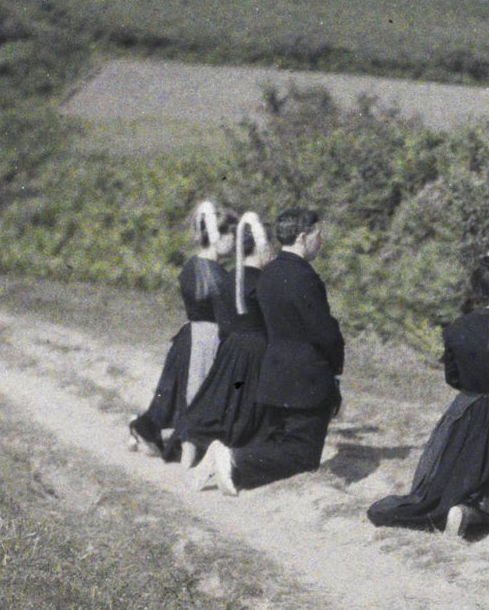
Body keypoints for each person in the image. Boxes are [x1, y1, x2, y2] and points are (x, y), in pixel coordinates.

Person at [367, 246, 489, 540]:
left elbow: (453, 377)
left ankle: (461, 504)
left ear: (477, 289)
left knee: (449, 481)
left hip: (464, 423)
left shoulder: (457, 330)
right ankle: (472, 513)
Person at [197, 208, 341, 495]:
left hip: (274, 373)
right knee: (304, 455)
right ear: (302, 237)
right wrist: (335, 369)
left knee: (280, 439)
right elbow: (323, 332)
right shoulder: (305, 277)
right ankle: (233, 457)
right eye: (317, 234)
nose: (320, 240)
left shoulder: (270, 273)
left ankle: (234, 464)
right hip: (306, 377)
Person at [130, 200, 235, 460]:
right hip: (207, 340)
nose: (235, 242)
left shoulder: (194, 265)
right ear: (218, 236)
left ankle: (148, 430)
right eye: (231, 235)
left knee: (173, 392)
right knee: (193, 394)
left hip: (190, 335)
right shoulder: (215, 275)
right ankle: (192, 444)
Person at [175, 211, 278, 469]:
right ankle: (230, 457)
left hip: (231, 348)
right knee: (249, 409)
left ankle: (193, 456)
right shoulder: (266, 283)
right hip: (257, 351)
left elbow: (225, 323)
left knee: (212, 402)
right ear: (263, 248)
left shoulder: (227, 278)